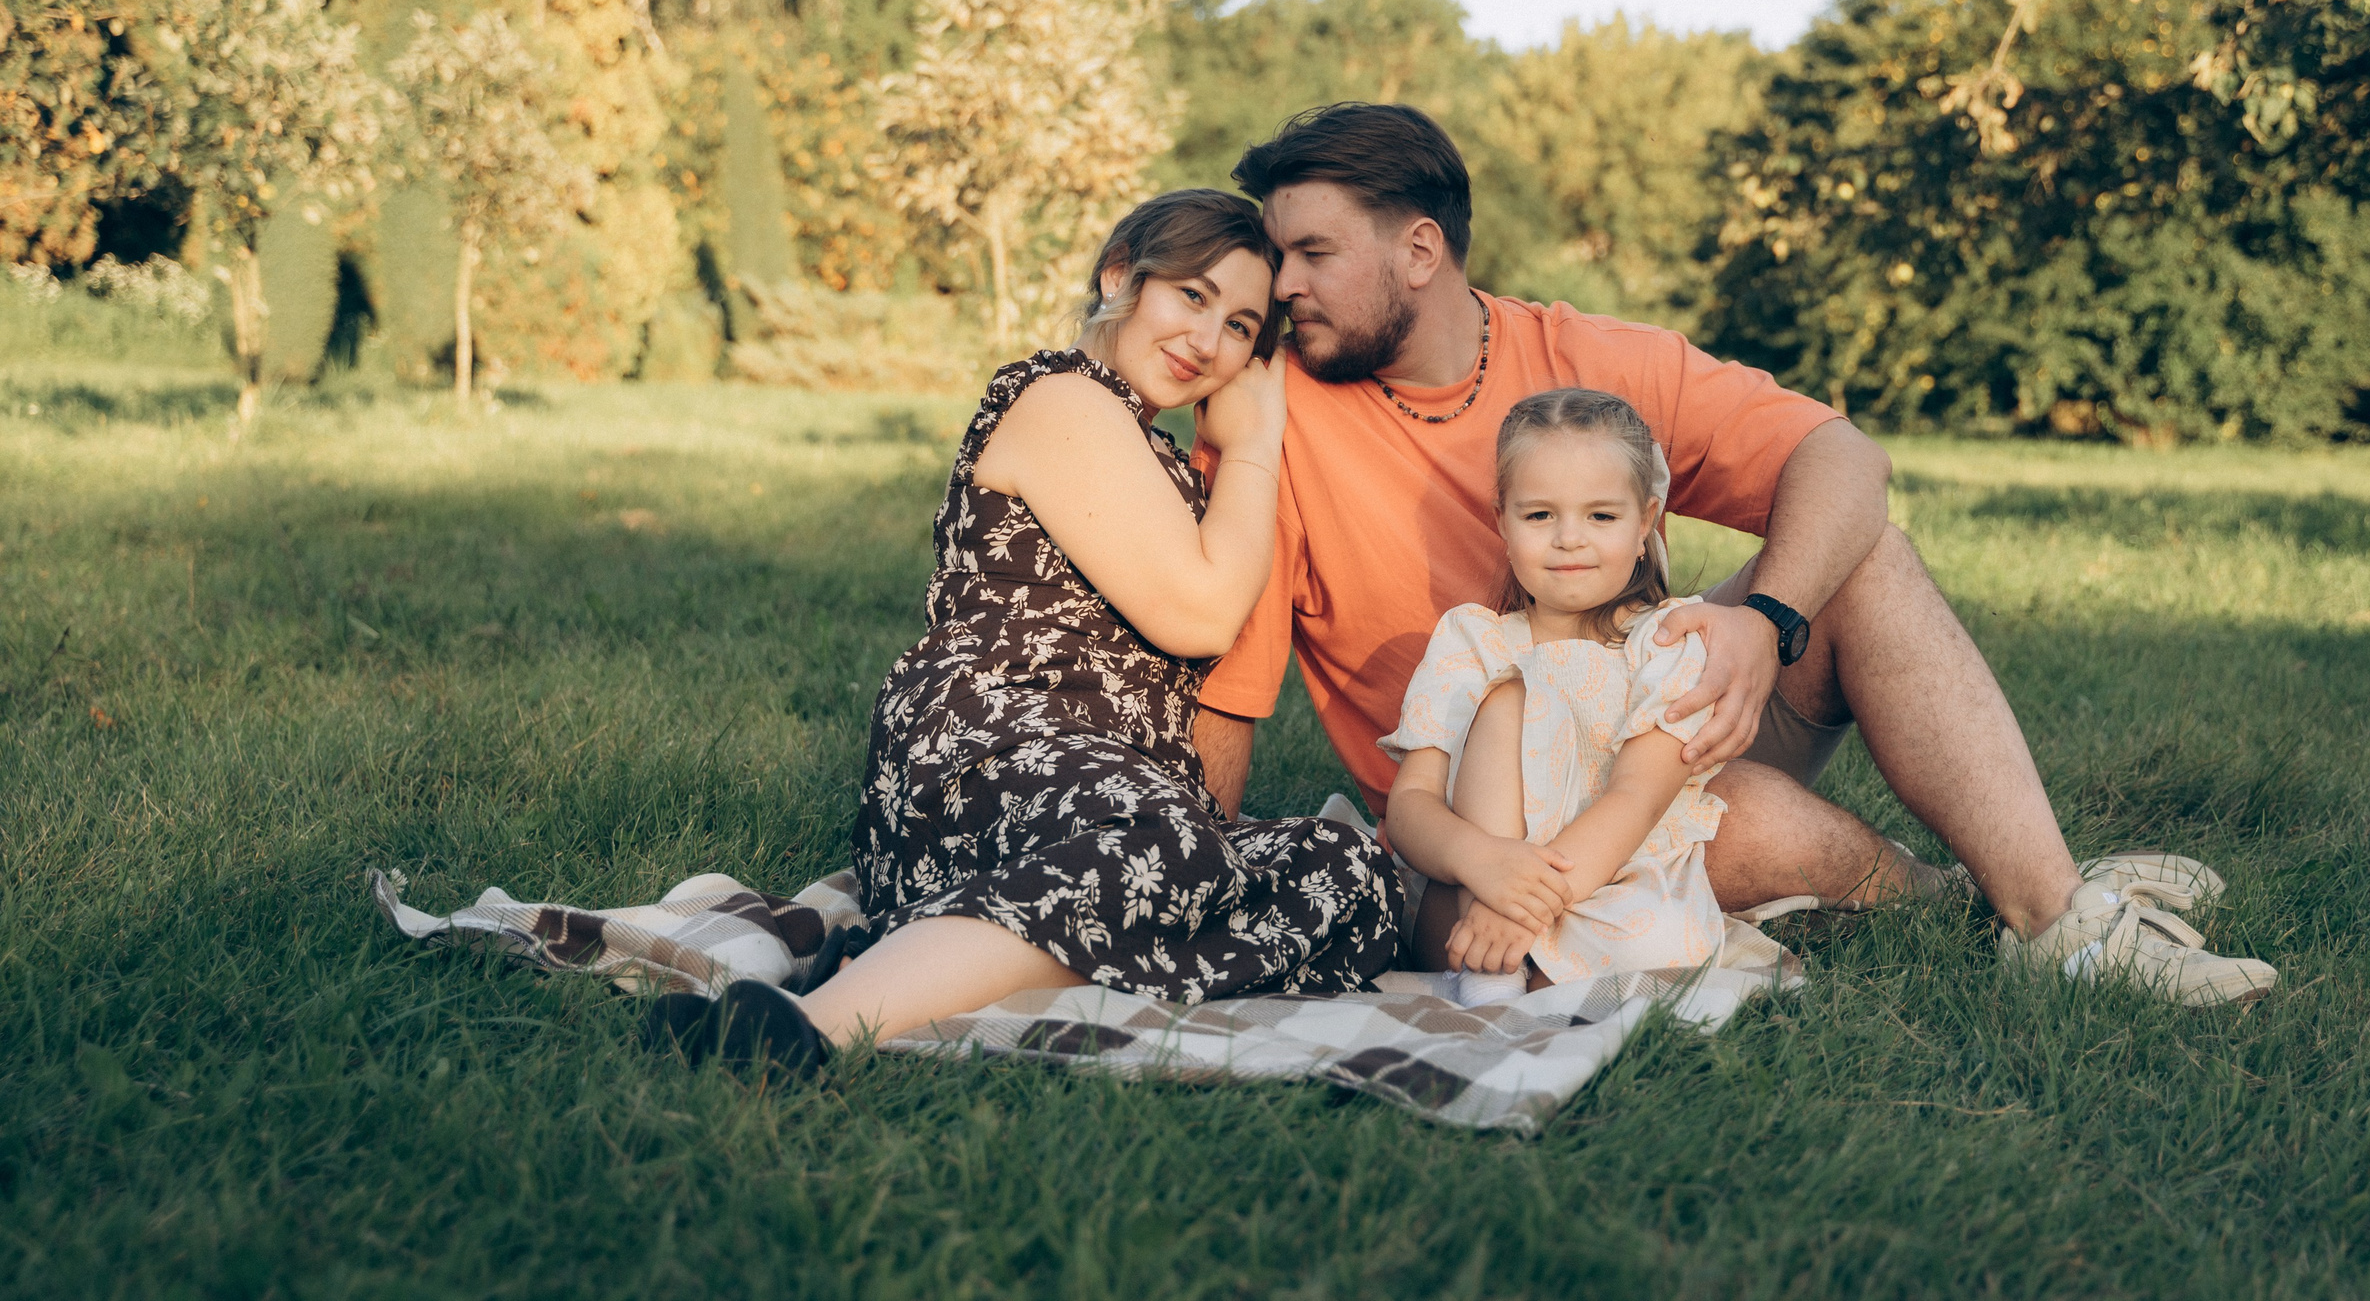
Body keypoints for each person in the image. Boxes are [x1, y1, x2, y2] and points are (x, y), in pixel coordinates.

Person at [1192, 103, 2277, 1008]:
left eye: (1311, 254)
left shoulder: (1585, 358)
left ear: (1418, 249)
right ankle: (1977, 894)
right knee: (1751, 821)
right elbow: (1229, 694)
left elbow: (1842, 454)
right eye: (1278, 255)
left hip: (1660, 725)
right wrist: (1193, 891)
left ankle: (2057, 924)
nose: (1279, 284)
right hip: (1495, 825)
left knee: (1866, 557)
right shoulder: (1270, 421)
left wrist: (1769, 621)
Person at [653, 189, 1402, 1071]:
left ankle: (941, 960)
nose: (1209, 341)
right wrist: (1252, 445)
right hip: (988, 744)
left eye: (1241, 326)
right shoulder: (1060, 399)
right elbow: (1202, 615)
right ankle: (805, 1029)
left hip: (1107, 796)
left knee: (1347, 871)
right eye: (1191, 296)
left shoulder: (1146, 443)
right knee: (1167, 847)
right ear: (1121, 273)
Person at [1383, 388, 1943, 1006]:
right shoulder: (1472, 640)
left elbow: (1634, 797)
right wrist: (1487, 868)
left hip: (1615, 882)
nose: (1570, 539)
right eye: (1540, 516)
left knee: (1612, 946)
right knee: (1507, 702)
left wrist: (1524, 908)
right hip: (1469, 898)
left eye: (1601, 516)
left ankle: (1528, 966)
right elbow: (1410, 804)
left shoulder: (1669, 643)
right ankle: (1497, 973)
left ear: (1645, 522)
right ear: (1502, 521)